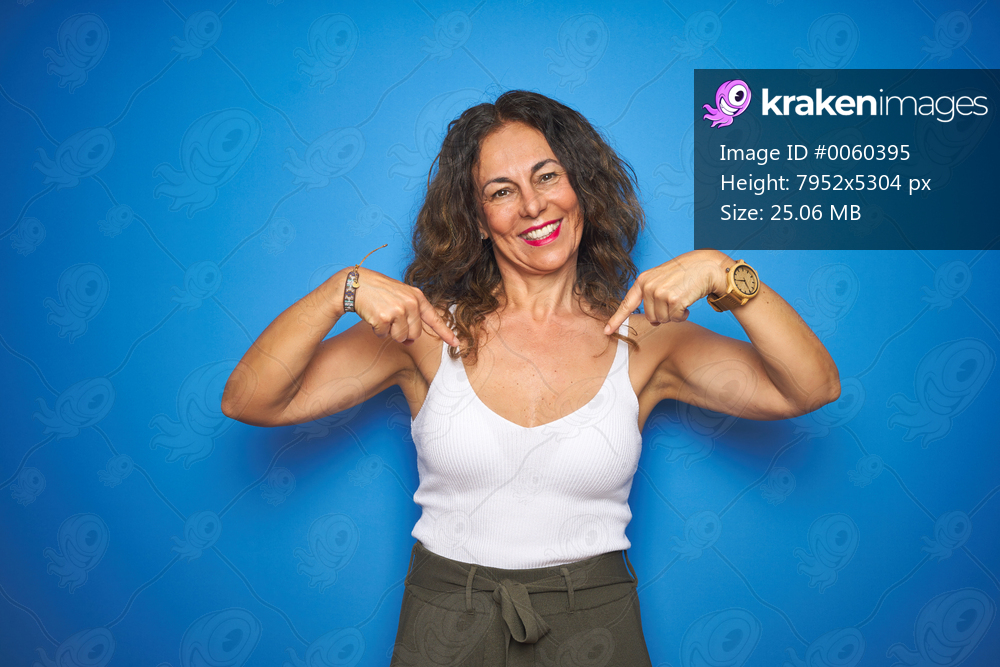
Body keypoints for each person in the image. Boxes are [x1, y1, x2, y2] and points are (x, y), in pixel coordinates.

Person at [221, 90, 840, 666]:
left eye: (547, 177)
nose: (532, 206)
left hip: (595, 620)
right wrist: (342, 289)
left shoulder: (646, 340)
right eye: (501, 191)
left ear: (581, 189)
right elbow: (251, 399)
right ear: (476, 218)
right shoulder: (427, 332)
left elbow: (810, 386)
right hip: (447, 617)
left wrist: (723, 271)